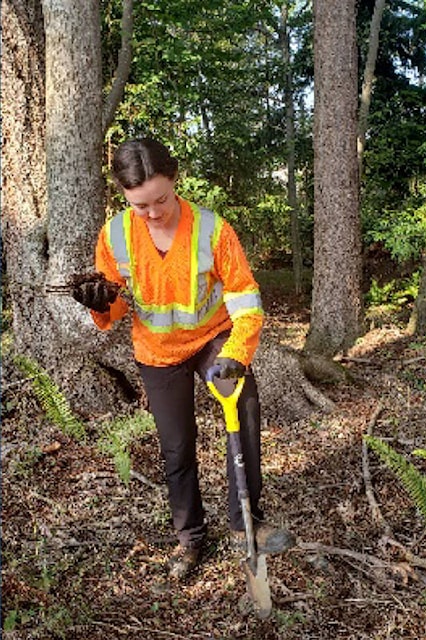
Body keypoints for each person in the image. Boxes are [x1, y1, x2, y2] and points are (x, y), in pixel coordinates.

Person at [71, 138, 295, 580]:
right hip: (155, 350)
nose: (154, 213)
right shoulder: (114, 236)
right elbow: (112, 313)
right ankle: (191, 538)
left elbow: (246, 301)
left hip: (212, 337)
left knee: (244, 408)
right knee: (176, 446)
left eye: (161, 199)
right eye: (141, 206)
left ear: (175, 180)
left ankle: (244, 525)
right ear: (123, 196)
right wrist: (98, 302)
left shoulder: (213, 230)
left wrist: (234, 354)